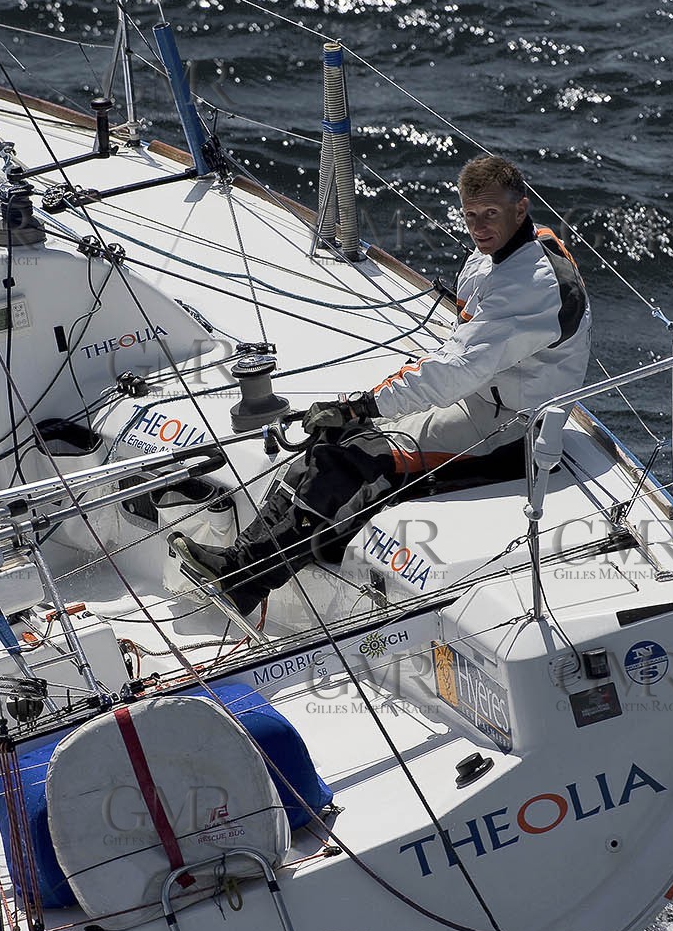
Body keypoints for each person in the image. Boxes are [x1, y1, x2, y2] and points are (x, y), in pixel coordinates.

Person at [171, 155, 591, 615]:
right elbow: (466, 360)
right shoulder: (507, 251)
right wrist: (357, 412)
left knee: (360, 453)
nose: (479, 226)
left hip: (512, 429)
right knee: (331, 435)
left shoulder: (529, 286)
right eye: (470, 215)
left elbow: (456, 370)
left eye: (491, 214)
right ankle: (303, 542)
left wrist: (362, 406)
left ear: (520, 208)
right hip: (484, 401)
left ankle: (244, 580)